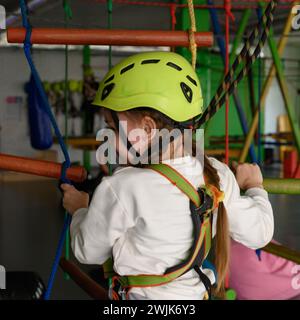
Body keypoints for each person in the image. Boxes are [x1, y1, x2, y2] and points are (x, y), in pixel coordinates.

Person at [61, 52, 274, 300]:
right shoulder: (218, 174)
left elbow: (88, 251)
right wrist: (255, 186)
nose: (106, 137)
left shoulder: (122, 187)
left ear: (149, 129)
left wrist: (80, 210)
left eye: (111, 127)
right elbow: (261, 233)